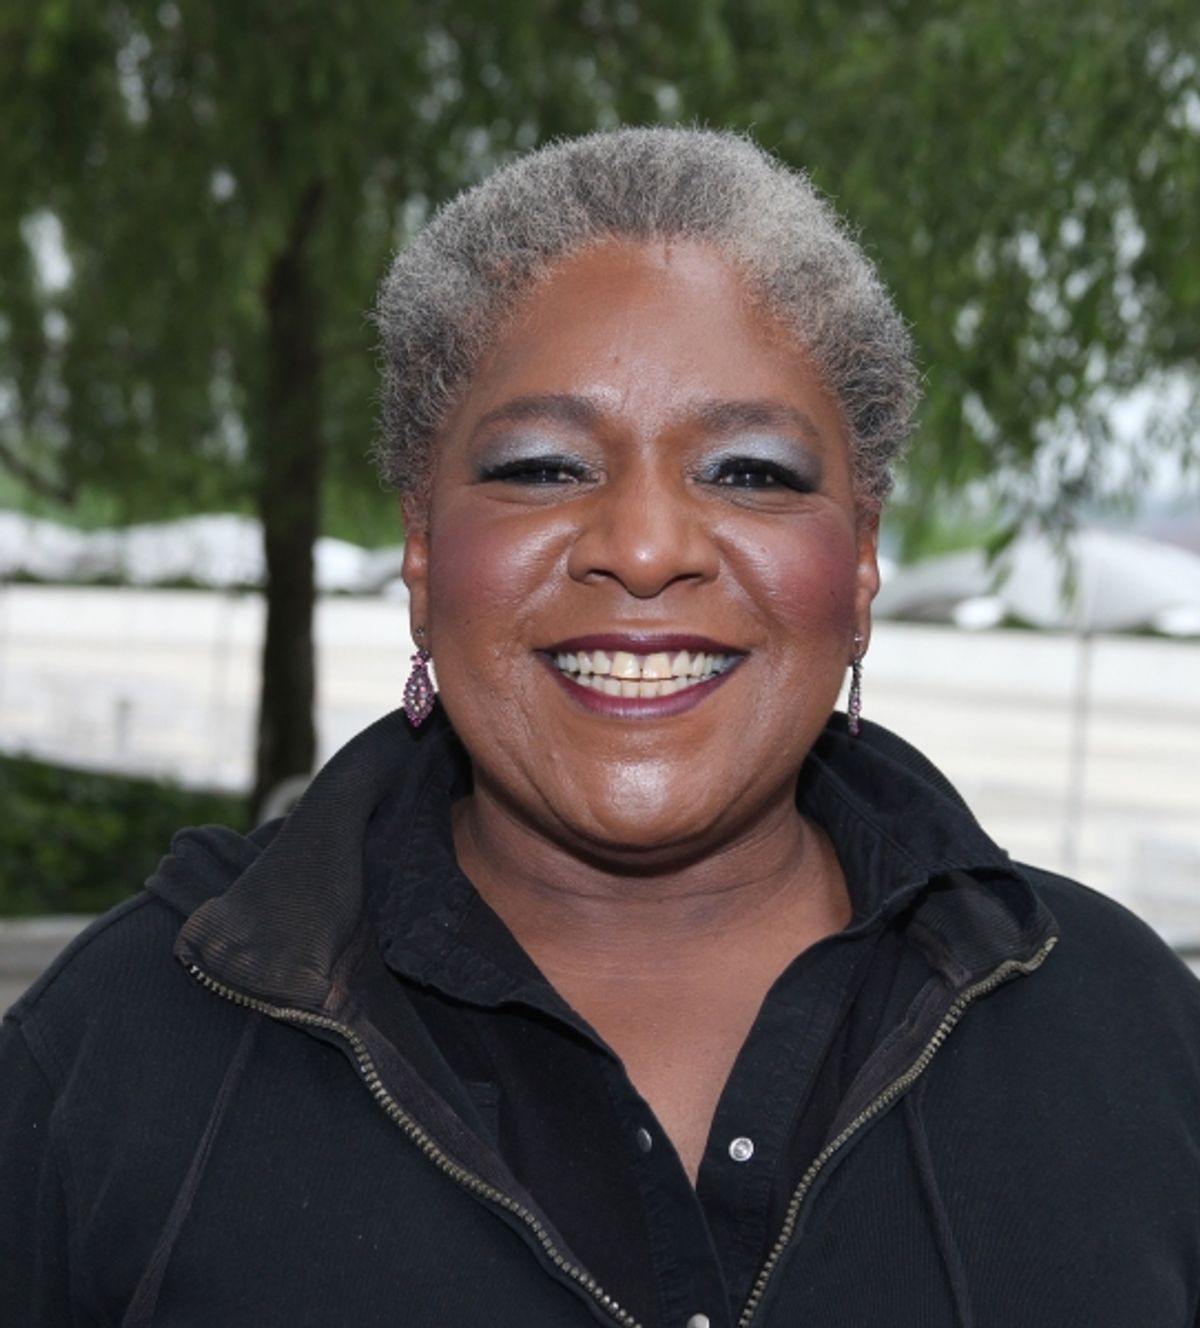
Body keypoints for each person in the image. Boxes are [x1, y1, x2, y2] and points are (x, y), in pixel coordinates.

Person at [2, 127, 1199, 1328]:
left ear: (862, 563)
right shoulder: (120, 1056)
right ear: (421, 551)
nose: (643, 546)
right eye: (542, 465)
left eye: (750, 470)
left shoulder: (1128, 1033)